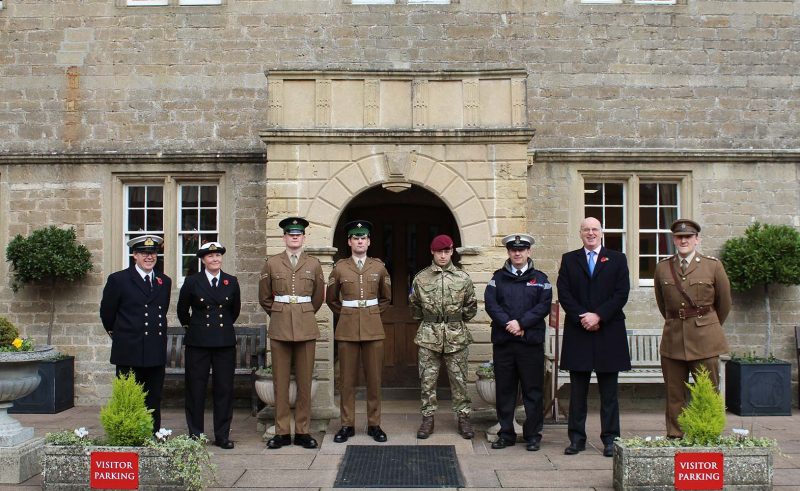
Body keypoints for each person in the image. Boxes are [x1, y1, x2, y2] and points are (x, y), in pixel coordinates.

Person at [557, 217, 631, 458]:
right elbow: (564, 293)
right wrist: (583, 317)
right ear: (580, 233)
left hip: (608, 331)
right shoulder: (569, 260)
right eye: (586, 229)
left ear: (601, 232)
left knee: (609, 393)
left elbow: (621, 293)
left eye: (594, 229)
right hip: (579, 331)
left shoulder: (617, 259)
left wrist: (598, 315)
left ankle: (610, 439)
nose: (590, 233)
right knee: (577, 392)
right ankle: (577, 439)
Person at [654, 218, 731, 439]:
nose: (683, 240)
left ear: (697, 239)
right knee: (674, 393)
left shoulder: (712, 266)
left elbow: (724, 303)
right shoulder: (662, 267)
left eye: (688, 237)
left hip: (705, 340)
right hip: (674, 340)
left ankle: (708, 433)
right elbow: (663, 304)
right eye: (679, 237)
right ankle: (675, 434)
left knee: (707, 391)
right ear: (674, 240)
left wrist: (707, 325)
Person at [259, 217, 325, 449]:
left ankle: (303, 431)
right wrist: (280, 312)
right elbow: (265, 297)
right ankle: (283, 432)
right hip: (280, 327)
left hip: (306, 326)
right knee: (281, 381)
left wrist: (303, 312)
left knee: (305, 381)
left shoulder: (313, 264)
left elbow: (318, 297)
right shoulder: (272, 263)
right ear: (284, 237)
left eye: (298, 234)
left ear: (304, 237)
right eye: (290, 234)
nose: (294, 237)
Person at [484, 233, 552, 451]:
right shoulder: (497, 278)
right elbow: (491, 304)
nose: (517, 253)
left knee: (533, 391)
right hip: (505, 343)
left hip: (530, 343)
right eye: (513, 250)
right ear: (508, 252)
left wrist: (521, 324)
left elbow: (543, 306)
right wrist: (509, 324)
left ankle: (533, 435)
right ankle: (506, 434)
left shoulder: (541, 279)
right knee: (505, 390)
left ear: (528, 251)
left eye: (521, 249)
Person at [326, 220, 392, 443]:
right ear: (349, 242)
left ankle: (374, 424)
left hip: (373, 330)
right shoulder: (340, 268)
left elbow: (386, 298)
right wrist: (347, 313)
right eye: (356, 238)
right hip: (347, 329)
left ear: (369, 241)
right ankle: (347, 425)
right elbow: (331, 299)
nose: (360, 241)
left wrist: (371, 314)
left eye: (363, 238)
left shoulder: (379, 267)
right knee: (347, 380)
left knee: (374, 379)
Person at [100, 235, 172, 433]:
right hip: (129, 349)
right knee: (128, 396)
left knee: (154, 397)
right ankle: (129, 434)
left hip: (154, 349)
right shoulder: (119, 279)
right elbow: (107, 313)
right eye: (144, 253)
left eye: (153, 253)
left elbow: (161, 311)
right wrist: (121, 335)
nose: (149, 257)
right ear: (135, 255)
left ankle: (153, 434)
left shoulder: (164, 281)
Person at [409, 234, 478, 439]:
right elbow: (415, 307)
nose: (443, 256)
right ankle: (428, 419)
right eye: (439, 251)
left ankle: (463, 418)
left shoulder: (463, 278)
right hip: (429, 336)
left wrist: (453, 320)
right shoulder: (421, 278)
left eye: (447, 251)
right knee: (427, 380)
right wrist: (432, 320)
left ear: (452, 252)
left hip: (456, 336)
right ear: (432, 252)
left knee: (459, 380)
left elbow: (470, 307)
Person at [177, 241, 241, 449]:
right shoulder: (192, 281)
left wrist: (220, 329)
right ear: (203, 260)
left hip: (224, 342)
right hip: (198, 342)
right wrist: (194, 328)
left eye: (218, 255)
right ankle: (196, 434)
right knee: (195, 389)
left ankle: (222, 435)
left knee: (224, 389)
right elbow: (182, 310)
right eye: (210, 256)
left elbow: (234, 311)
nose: (215, 259)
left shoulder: (231, 281)